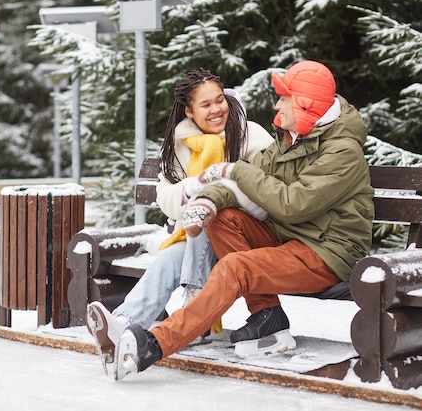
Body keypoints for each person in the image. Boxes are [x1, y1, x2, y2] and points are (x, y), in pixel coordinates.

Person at [111, 60, 375, 381]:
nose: (277, 105)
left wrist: (234, 169)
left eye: (284, 98)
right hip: (289, 241)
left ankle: (154, 343)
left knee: (236, 268)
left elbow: (293, 204)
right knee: (223, 218)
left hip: (328, 254)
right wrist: (208, 201)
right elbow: (248, 182)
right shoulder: (290, 138)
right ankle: (267, 314)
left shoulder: (341, 151)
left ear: (306, 105)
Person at [86, 68, 274, 374]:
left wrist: (211, 191)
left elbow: (267, 191)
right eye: (206, 105)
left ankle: (193, 311)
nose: (216, 110)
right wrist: (191, 187)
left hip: (244, 234)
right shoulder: (182, 144)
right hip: (199, 240)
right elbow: (166, 199)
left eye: (219, 100)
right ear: (189, 110)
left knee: (206, 209)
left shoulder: (251, 134)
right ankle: (122, 324)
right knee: (172, 256)